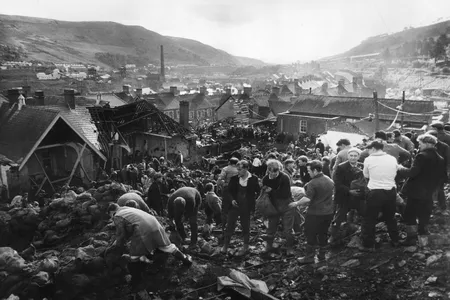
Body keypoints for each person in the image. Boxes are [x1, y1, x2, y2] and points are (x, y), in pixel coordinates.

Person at [106, 204, 192, 288]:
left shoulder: (117, 215)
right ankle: (185, 259)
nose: (112, 218)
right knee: (166, 247)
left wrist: (115, 246)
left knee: (134, 257)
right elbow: (130, 226)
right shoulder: (127, 209)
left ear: (112, 212)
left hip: (142, 230)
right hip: (155, 224)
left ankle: (136, 281)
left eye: (110, 216)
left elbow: (121, 234)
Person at [398, 134, 445, 245]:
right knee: (424, 215)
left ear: (427, 143)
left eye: (420, 143)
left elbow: (412, 173)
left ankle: (411, 239)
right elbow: (442, 177)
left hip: (416, 192)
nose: (419, 146)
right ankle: (423, 241)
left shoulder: (421, 156)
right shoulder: (440, 158)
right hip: (429, 192)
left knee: (410, 214)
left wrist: (400, 168)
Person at [289, 160, 334, 263]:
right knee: (323, 233)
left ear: (315, 170)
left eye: (309, 170)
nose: (308, 172)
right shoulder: (329, 180)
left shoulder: (312, 183)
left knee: (310, 234)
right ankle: (322, 256)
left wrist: (295, 203)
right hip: (328, 212)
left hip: (315, 213)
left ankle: (309, 257)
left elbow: (307, 199)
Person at [361, 140, 400, 250]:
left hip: (375, 191)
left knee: (370, 218)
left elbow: (366, 174)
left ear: (373, 148)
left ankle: (369, 244)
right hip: (391, 191)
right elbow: (395, 172)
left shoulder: (368, 159)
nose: (368, 152)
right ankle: (395, 240)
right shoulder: (392, 158)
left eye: (368, 149)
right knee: (390, 217)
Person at [222, 160, 260, 256]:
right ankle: (225, 246)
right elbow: (229, 191)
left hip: (246, 207)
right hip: (235, 206)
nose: (238, 172)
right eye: (237, 169)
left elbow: (258, 191)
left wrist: (254, 202)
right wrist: (232, 200)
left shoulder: (253, 179)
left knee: (245, 225)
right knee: (230, 225)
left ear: (246, 169)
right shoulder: (234, 179)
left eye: (240, 170)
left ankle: (246, 246)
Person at [329, 148, 364, 244]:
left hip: (357, 196)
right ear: (348, 156)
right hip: (344, 196)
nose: (353, 158)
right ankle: (333, 236)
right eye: (351, 156)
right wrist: (349, 191)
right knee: (338, 217)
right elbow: (337, 183)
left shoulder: (362, 166)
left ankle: (362, 235)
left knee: (364, 214)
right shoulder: (341, 167)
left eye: (355, 156)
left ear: (358, 157)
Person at [262, 159, 295, 256]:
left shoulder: (284, 177)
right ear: (268, 170)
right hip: (273, 206)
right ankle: (268, 245)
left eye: (275, 171)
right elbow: (264, 193)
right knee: (271, 227)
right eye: (270, 171)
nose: (273, 173)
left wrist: (271, 191)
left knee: (288, 229)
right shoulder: (265, 179)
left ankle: (289, 247)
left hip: (286, 204)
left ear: (279, 169)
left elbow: (285, 194)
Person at [427, 130, 450, 210]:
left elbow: (448, 160)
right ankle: (430, 207)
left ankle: (442, 207)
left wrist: (447, 171)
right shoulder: (426, 146)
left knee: (440, 190)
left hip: (440, 172)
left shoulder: (444, 146)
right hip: (428, 171)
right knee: (428, 189)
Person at [217, 157, 239, 230]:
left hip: (227, 190)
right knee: (235, 208)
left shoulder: (225, 169)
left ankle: (224, 226)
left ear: (229, 162)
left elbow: (220, 180)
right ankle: (233, 226)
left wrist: (222, 185)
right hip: (237, 191)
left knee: (225, 209)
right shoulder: (239, 170)